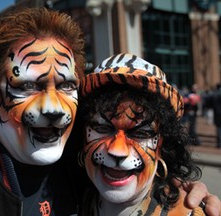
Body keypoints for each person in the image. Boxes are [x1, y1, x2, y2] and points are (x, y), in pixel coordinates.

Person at [0, 8, 220, 216]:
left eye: (67, 85)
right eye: (28, 86)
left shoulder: (80, 160)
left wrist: (172, 189)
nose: (53, 108)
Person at [75, 53, 212, 215]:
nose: (118, 151)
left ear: (162, 144)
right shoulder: (70, 201)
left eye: (140, 133)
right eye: (103, 129)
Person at [204, 83, 221, 148]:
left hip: (216, 113)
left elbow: (208, 103)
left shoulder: (213, 94)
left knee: (218, 128)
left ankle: (219, 143)